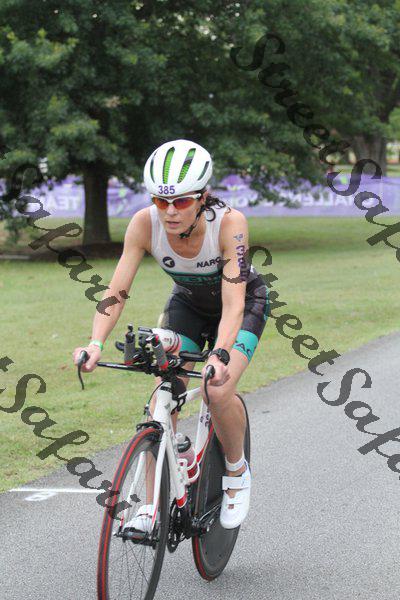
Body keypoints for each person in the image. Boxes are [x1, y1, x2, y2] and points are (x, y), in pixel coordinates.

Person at [73, 139, 269, 530]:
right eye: (161, 201)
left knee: (217, 390)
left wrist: (220, 355)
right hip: (188, 305)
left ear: (203, 197)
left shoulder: (230, 224)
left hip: (243, 304)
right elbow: (116, 291)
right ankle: (151, 506)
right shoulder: (144, 223)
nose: (170, 211)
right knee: (162, 396)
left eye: (181, 201)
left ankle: (236, 472)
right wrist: (95, 343)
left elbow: (233, 304)